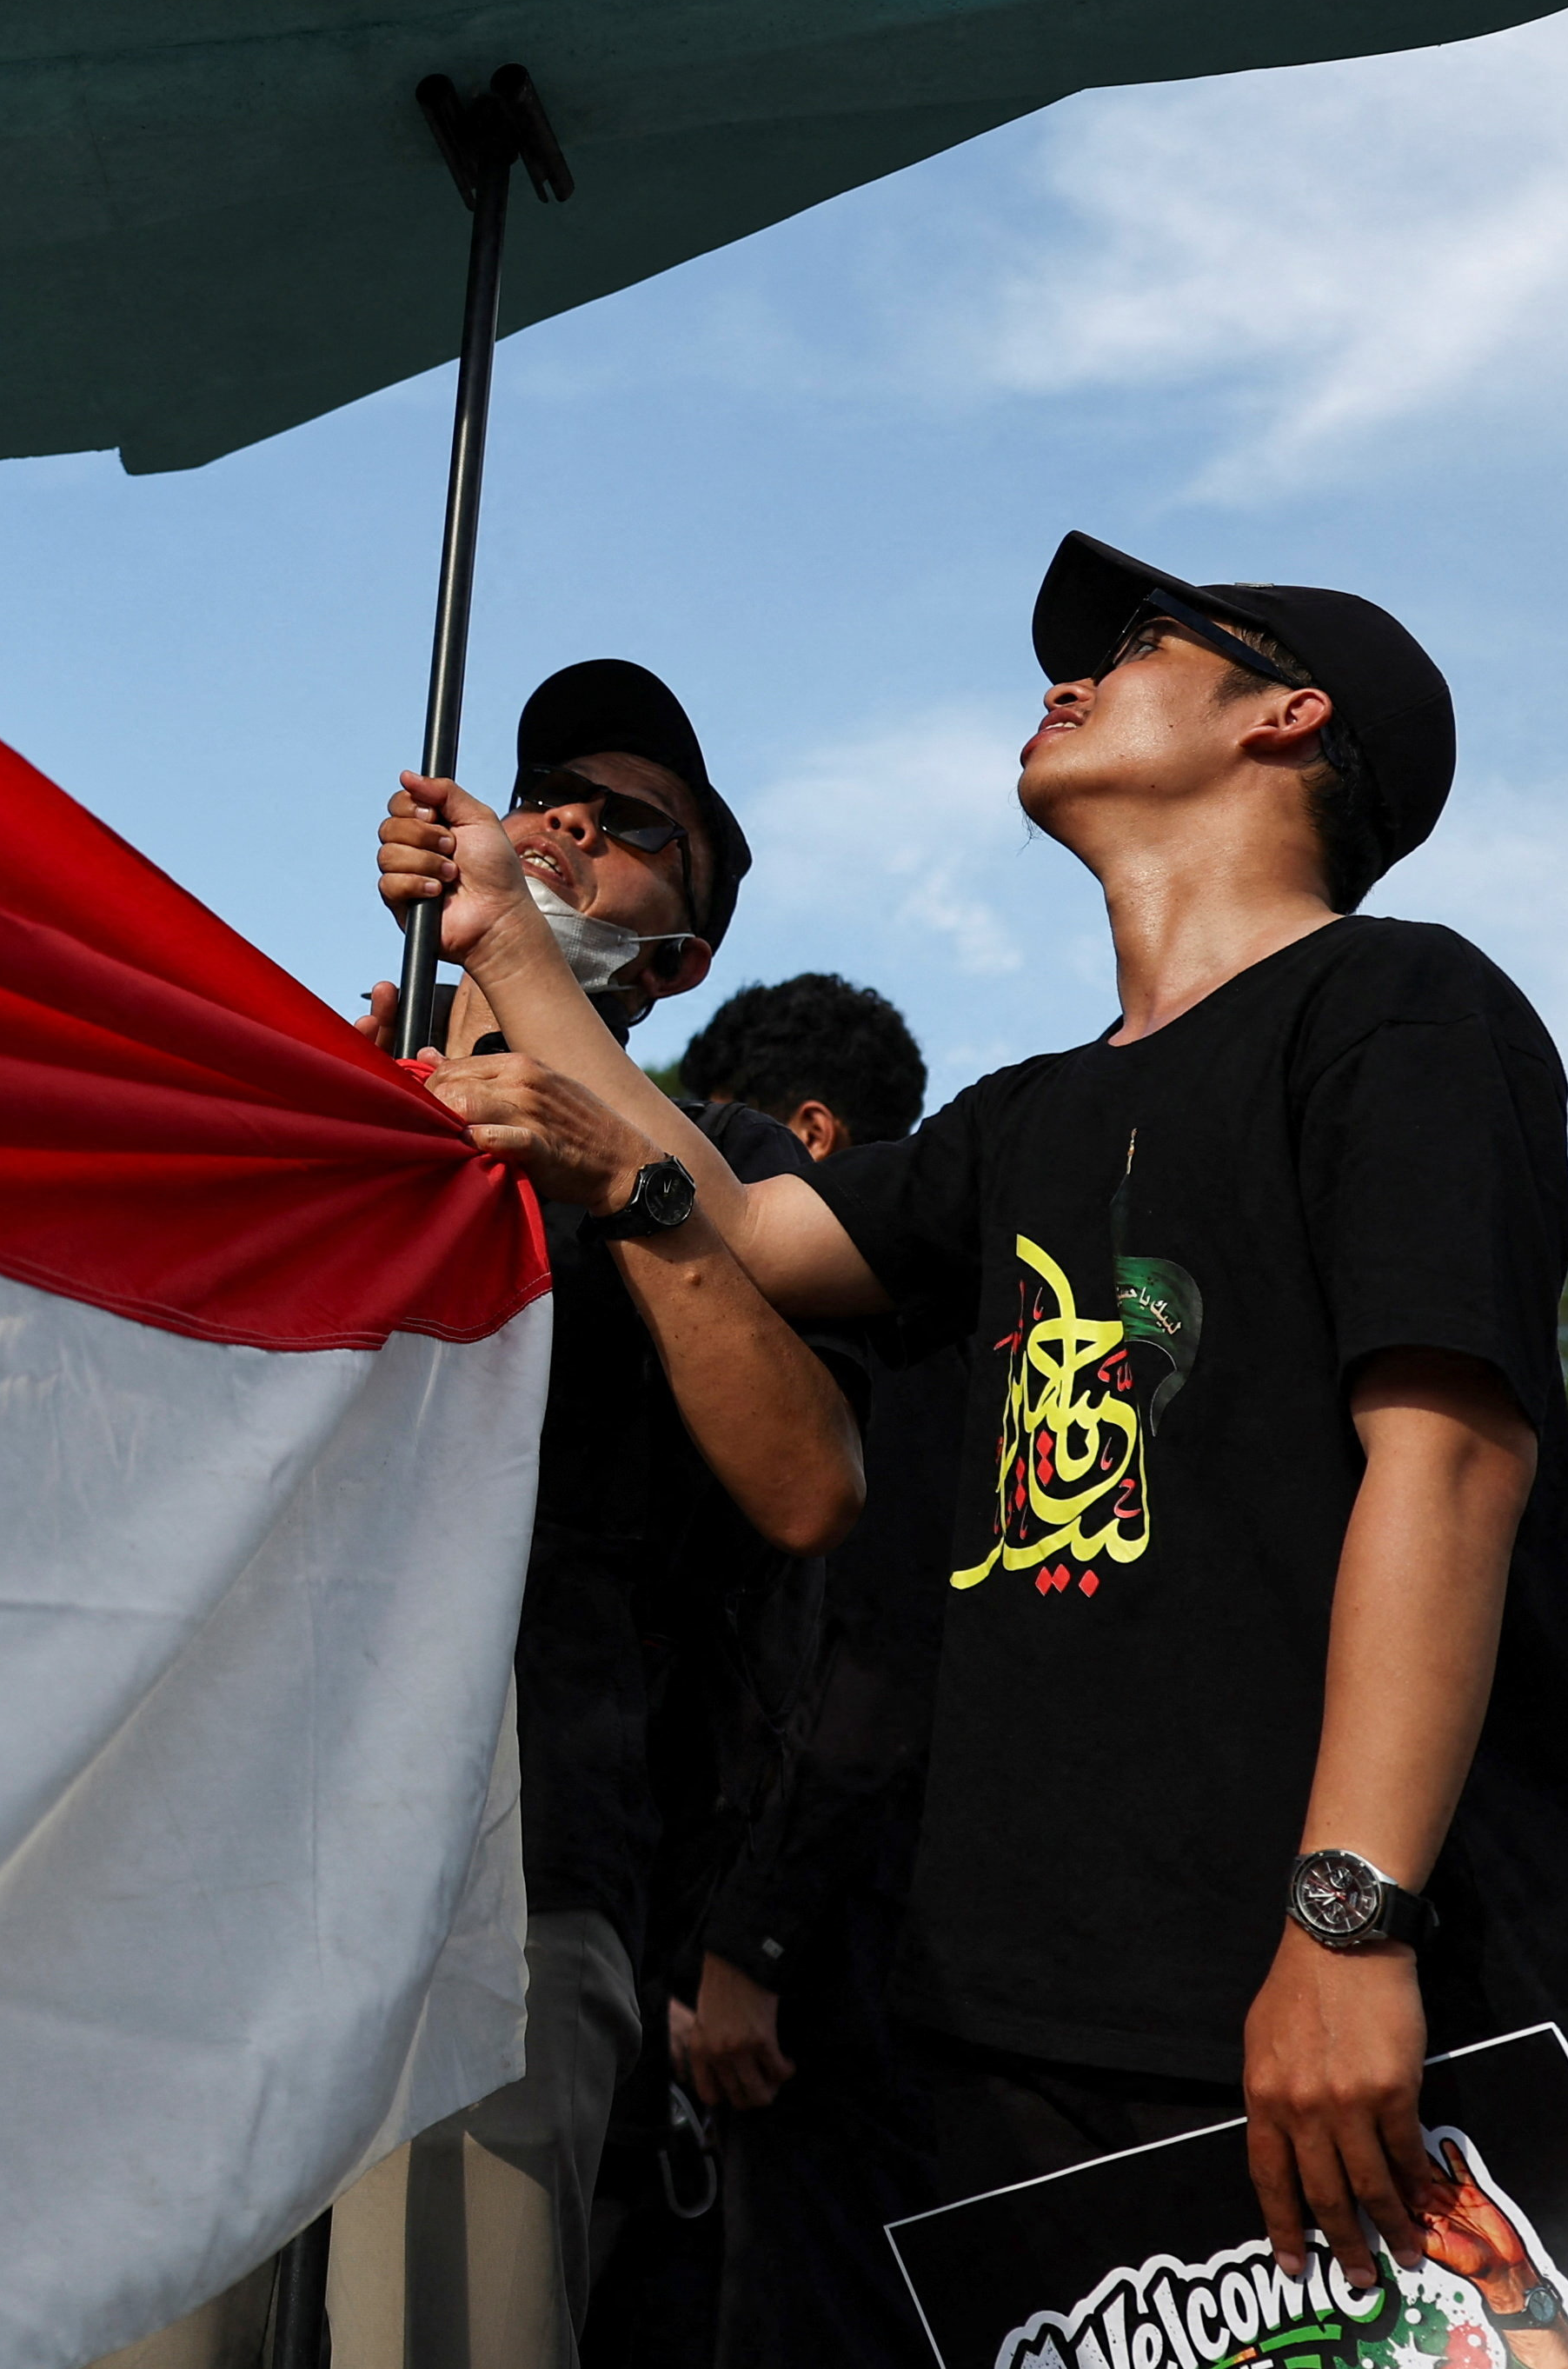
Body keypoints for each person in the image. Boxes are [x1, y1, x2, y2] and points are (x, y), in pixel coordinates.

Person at [380, 533, 1568, 2299]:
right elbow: (731, 1226)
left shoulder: (1400, 1009)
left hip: (1325, 2005)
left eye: (1134, 642)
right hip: (1015, 2022)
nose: (1067, 671)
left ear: (1287, 715)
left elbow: (1449, 1458)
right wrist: (502, 939)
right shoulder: (1013, 1121)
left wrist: (1347, 1916)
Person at [369, 661, 873, 2369]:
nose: (570, 819)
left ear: (684, 953)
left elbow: (808, 1489)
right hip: (204, 1853)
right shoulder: (312, 1081)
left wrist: (630, 1199)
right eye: (546, 791)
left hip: (511, 1885)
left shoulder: (725, 1172)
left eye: (634, 825)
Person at [649, 975, 941, 2369]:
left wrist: (742, 1942)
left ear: (804, 1142)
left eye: (717, 1151)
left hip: (822, 1970)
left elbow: (868, 1647)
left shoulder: (893, 1344)